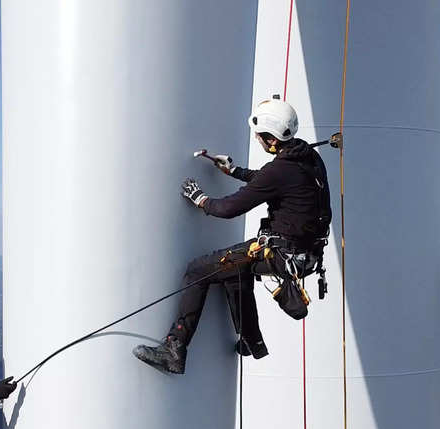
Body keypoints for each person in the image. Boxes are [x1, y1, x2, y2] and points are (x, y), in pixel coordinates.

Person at [133, 95, 332, 374]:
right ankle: (252, 341)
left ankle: (174, 349)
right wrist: (234, 170)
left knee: (197, 270)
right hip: (305, 256)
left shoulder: (280, 170)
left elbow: (228, 208)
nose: (258, 141)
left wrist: (201, 199)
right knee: (235, 270)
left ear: (272, 140)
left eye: (260, 137)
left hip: (280, 255)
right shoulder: (308, 157)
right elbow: (272, 181)